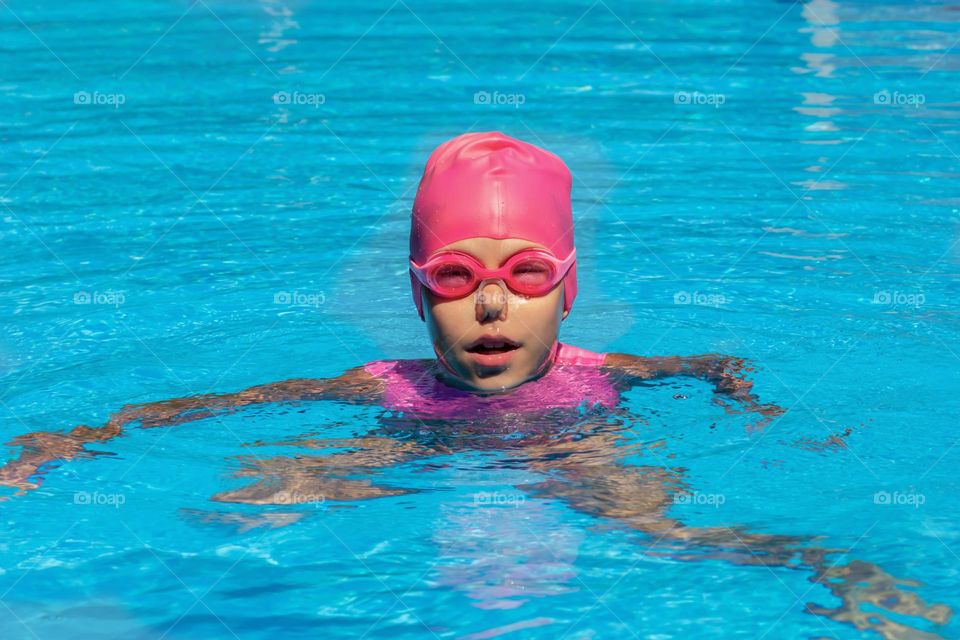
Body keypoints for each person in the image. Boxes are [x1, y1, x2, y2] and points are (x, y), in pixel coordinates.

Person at [0, 132, 950, 638]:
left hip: (575, 449)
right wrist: (89, 436)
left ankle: (831, 571)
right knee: (251, 501)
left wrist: (748, 403)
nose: (492, 306)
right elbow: (234, 403)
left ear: (568, 294)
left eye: (526, 275)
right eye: (456, 278)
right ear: (418, 301)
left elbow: (707, 363)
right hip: (416, 447)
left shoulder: (602, 372)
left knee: (665, 532)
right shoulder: (389, 386)